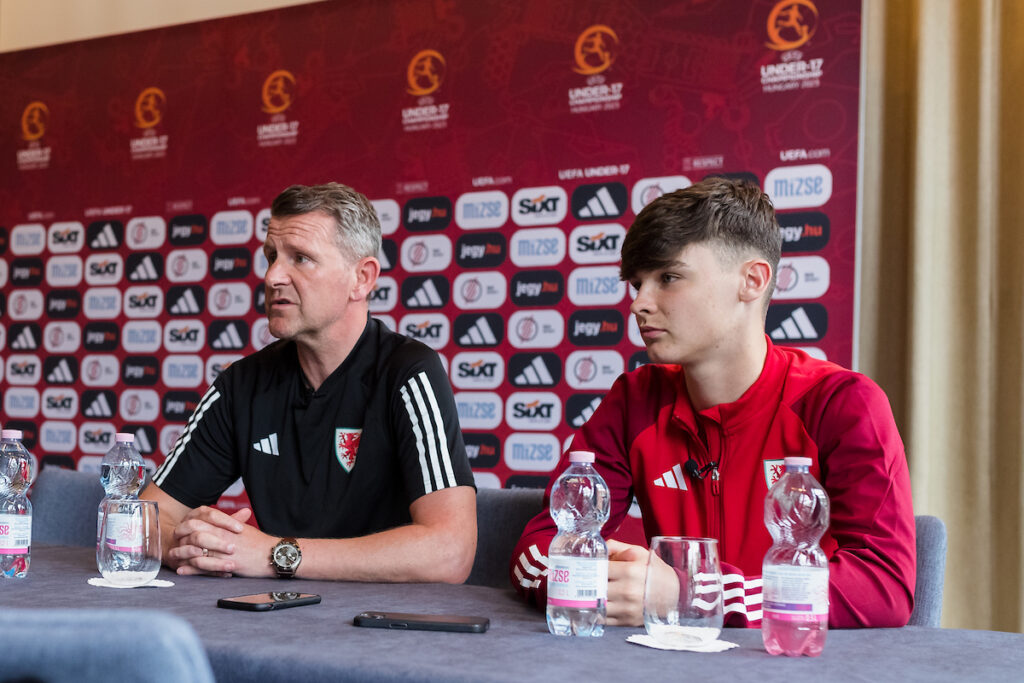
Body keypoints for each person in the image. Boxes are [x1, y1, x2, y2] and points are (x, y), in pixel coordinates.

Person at [510, 177, 916, 628]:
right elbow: (539, 549)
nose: (639, 304)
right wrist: (593, 579)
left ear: (751, 280)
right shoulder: (634, 400)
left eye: (668, 277)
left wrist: (692, 594)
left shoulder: (842, 404)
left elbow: (883, 585)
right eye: (636, 283)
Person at [143, 182, 477, 582]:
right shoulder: (242, 384)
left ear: (362, 278)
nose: (272, 277)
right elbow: (142, 522)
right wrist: (200, 546)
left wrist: (276, 555)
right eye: (271, 256)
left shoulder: (408, 372)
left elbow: (451, 552)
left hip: (383, 631)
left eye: (300, 258)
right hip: (273, 623)